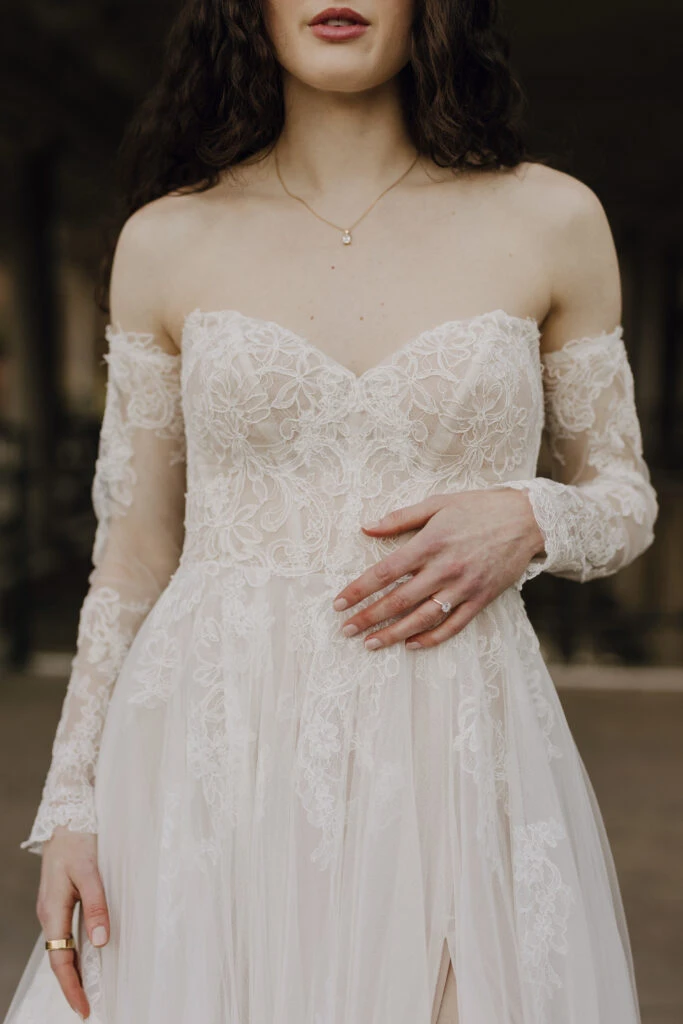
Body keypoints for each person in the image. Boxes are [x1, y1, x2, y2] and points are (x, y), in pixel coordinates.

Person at [4, 1, 658, 1022]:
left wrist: (524, 515)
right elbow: (132, 549)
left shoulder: (550, 218)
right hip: (212, 743)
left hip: (453, 732)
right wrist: (74, 804)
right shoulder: (166, 239)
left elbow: (621, 499)